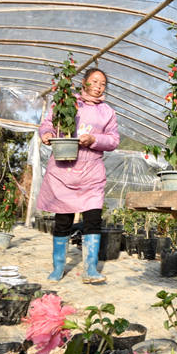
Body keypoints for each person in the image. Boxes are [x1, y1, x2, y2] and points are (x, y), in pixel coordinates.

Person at [38, 68, 119, 284]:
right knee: (63, 220)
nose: (98, 86)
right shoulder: (68, 102)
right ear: (83, 82)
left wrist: (94, 139)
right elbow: (48, 123)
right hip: (64, 169)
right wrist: (46, 133)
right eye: (94, 81)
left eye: (102, 83)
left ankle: (90, 269)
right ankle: (58, 268)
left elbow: (113, 140)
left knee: (92, 219)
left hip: (91, 171)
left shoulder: (107, 112)